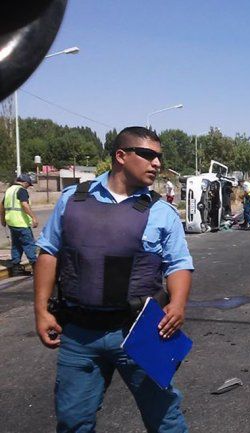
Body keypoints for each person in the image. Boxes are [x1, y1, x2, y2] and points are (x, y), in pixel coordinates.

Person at [33, 126, 194, 432]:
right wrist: (40, 310)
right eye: (148, 155)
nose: (157, 163)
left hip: (141, 329)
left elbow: (179, 264)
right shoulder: (72, 200)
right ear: (121, 156)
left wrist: (178, 304)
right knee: (72, 421)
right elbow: (48, 252)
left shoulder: (162, 211)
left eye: (159, 157)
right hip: (80, 332)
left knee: (165, 420)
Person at [1, 173, 38, 276]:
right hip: (21, 222)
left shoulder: (9, 190)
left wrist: (2, 220)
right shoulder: (21, 190)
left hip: (11, 223)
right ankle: (36, 267)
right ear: (25, 183)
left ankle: (16, 268)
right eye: (28, 185)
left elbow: (2, 205)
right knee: (28, 244)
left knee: (16, 245)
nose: (28, 187)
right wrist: (34, 217)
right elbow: (24, 205)